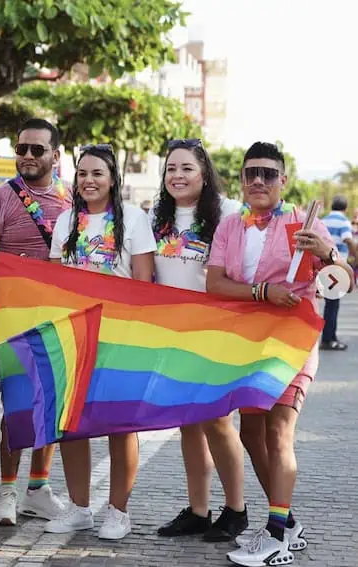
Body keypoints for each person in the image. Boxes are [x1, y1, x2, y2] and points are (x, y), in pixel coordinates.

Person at [206, 142, 354, 566]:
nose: (258, 180)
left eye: (268, 174)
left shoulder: (302, 224)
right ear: (241, 180)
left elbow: (343, 282)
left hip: (293, 340)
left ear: (282, 181)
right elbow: (215, 282)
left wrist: (327, 253)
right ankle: (286, 520)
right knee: (251, 434)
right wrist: (261, 291)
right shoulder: (230, 227)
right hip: (247, 344)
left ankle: (275, 537)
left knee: (278, 433)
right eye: (251, 173)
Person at [44, 143, 155, 539]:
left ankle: (118, 512)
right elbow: (55, 283)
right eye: (83, 174)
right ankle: (78, 507)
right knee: (72, 424)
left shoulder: (135, 220)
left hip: (121, 337)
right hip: (74, 336)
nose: (89, 181)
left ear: (112, 179)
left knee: (120, 425)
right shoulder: (65, 222)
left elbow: (144, 285)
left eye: (97, 174)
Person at [0, 118, 71, 526]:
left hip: (56, 320)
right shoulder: (0, 196)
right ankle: (7, 489)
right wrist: (21, 270)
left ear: (55, 156)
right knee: (15, 406)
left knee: (52, 405)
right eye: (22, 149)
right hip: (11, 319)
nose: (27, 157)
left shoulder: (72, 200)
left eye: (37, 150)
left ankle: (39, 487)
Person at [149, 139, 249, 541]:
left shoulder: (228, 214)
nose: (178, 175)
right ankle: (198, 509)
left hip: (217, 331)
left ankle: (236, 509)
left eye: (186, 168)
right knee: (189, 424)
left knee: (219, 421)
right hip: (173, 335)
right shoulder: (156, 217)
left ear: (204, 172)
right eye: (171, 168)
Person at [320, 195, 355, 350]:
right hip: (338, 266)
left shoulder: (324, 221)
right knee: (333, 304)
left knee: (330, 303)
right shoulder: (344, 221)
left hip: (324, 266)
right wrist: (354, 254)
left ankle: (330, 336)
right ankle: (328, 340)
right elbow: (347, 239)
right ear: (345, 208)